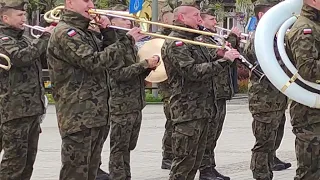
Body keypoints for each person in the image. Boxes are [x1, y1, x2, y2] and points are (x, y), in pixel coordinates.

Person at [46, 0, 146, 179]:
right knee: (75, 173)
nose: (91, 4)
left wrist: (108, 33)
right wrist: (127, 40)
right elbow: (93, 62)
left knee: (91, 172)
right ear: (69, 3)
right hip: (78, 114)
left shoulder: (86, 31)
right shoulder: (67, 32)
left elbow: (110, 62)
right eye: (85, 0)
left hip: (97, 113)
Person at [161, 5, 240, 180]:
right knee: (184, 164)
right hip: (187, 110)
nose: (199, 19)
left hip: (202, 108)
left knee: (195, 162)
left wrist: (218, 55)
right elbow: (192, 72)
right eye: (196, 16)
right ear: (182, 18)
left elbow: (204, 62)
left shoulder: (194, 39)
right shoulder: (177, 43)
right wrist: (224, 62)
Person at [0, 0, 53, 179]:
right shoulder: (3, 38)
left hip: (32, 109)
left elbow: (40, 60)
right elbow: (21, 57)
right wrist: (44, 38)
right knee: (14, 162)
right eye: (20, 15)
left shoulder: (24, 38)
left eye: (24, 14)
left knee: (28, 162)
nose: (24, 18)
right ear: (5, 18)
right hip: (14, 110)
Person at [106, 4, 159, 180]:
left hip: (134, 102)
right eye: (123, 19)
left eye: (128, 19)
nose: (128, 22)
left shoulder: (128, 43)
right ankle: (118, 176)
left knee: (128, 146)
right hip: (121, 104)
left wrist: (149, 68)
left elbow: (133, 72)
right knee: (119, 147)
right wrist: (144, 64)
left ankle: (125, 175)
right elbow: (118, 74)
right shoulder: (114, 43)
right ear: (112, 21)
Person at [243, 0, 291, 179]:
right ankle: (261, 173)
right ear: (263, 16)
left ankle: (271, 163)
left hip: (277, 97)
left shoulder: (275, 36)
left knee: (274, 136)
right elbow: (269, 64)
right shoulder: (259, 38)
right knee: (263, 141)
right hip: (263, 99)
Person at [197, 7, 241, 180]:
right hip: (211, 92)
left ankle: (210, 167)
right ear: (202, 21)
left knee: (214, 134)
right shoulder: (201, 38)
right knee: (208, 134)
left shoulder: (215, 37)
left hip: (220, 91)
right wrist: (231, 38)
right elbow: (212, 57)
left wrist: (233, 43)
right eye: (211, 19)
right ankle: (205, 169)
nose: (215, 22)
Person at [285, 0, 320, 179]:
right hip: (310, 114)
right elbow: (307, 69)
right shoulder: (304, 28)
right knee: (310, 172)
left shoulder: (315, 25)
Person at [157, 3, 175, 170]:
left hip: (177, 87)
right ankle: (167, 155)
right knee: (171, 122)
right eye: (168, 17)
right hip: (167, 87)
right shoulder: (159, 38)